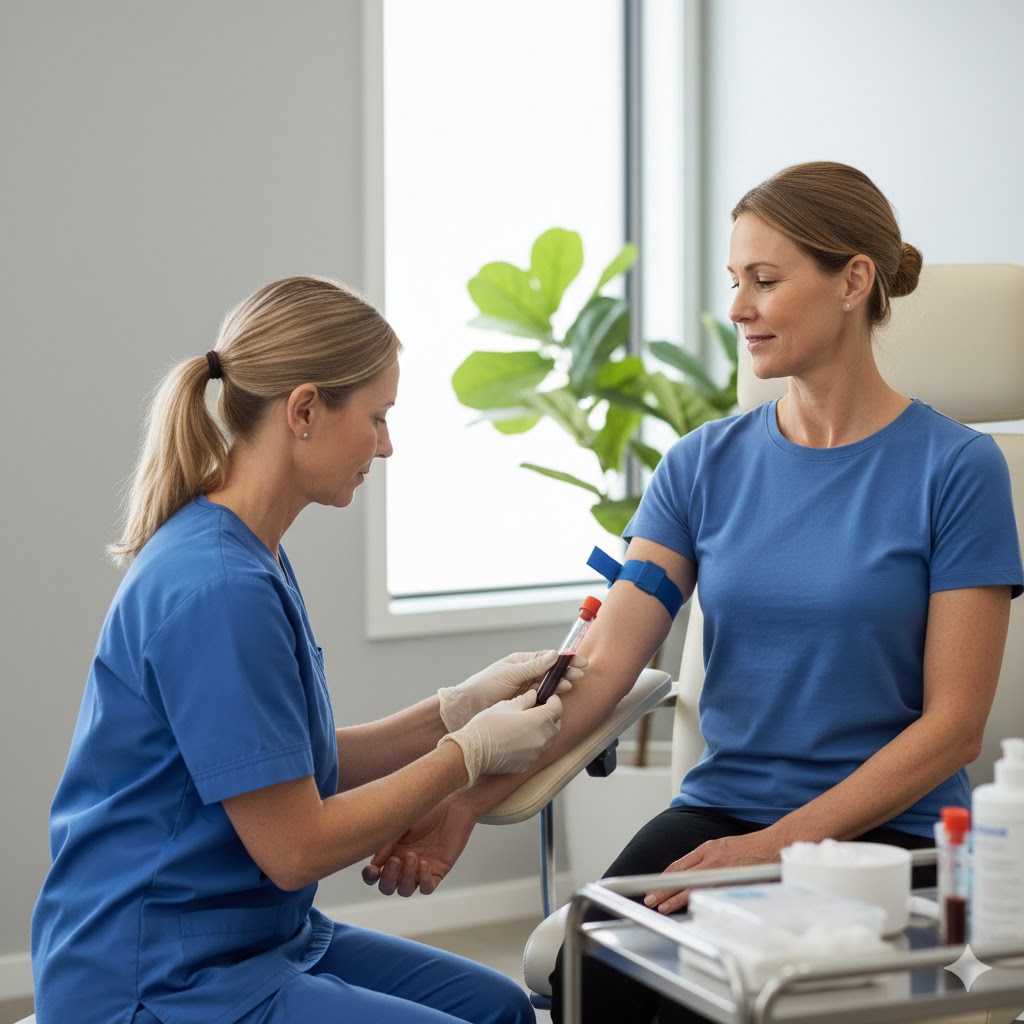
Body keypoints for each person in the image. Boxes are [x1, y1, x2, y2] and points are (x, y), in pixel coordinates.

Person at [358, 163, 1024, 1022]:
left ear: (854, 281)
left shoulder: (958, 470)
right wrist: (462, 801)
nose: (739, 307)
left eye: (766, 280)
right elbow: (601, 668)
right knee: (596, 970)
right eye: (734, 281)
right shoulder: (700, 466)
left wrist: (772, 850)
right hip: (722, 811)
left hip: (891, 837)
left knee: (749, 993)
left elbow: (953, 729)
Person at [30, 275, 583, 1024]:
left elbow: (283, 767)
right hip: (156, 973)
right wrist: (469, 755)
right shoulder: (217, 587)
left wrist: (458, 707)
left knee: (500, 1010)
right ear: (304, 410)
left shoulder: (251, 553)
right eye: (378, 418)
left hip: (258, 935)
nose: (386, 446)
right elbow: (295, 848)